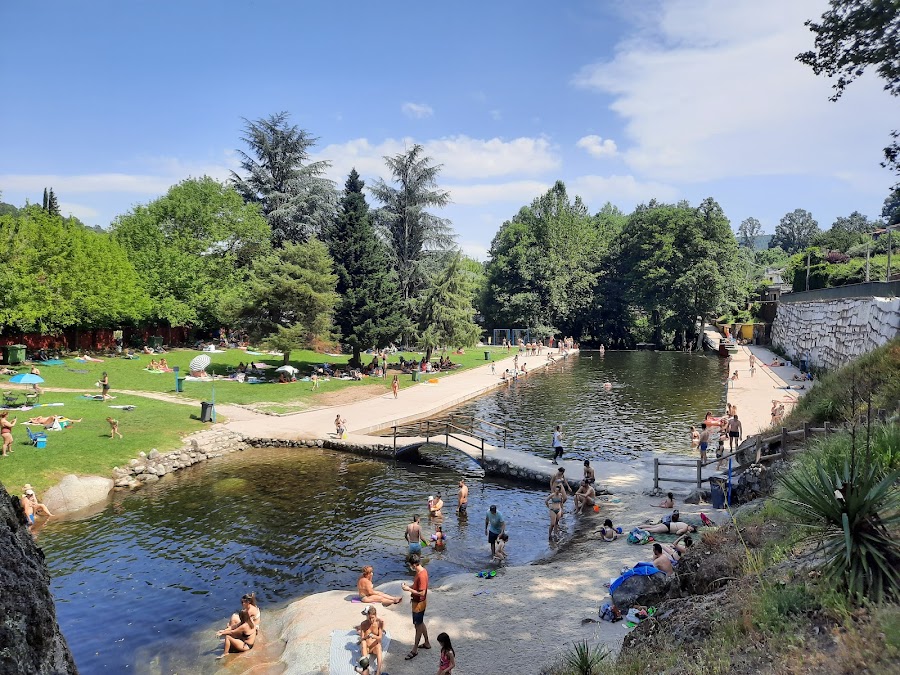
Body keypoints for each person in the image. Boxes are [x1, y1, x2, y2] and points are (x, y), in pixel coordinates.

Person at [401, 555, 430, 660]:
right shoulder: (422, 571)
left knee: (417, 626)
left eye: (410, 565)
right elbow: (417, 587)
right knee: (420, 623)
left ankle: (414, 650)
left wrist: (409, 590)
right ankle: (427, 643)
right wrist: (409, 586)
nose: (410, 567)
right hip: (419, 602)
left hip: (419, 603)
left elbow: (422, 592)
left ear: (414, 564)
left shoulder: (421, 575)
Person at [357, 605, 386, 675]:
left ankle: (378, 671)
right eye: (369, 618)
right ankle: (365, 668)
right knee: (363, 643)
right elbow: (362, 638)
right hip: (367, 647)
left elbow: (380, 637)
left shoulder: (379, 623)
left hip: (374, 647)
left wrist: (373, 636)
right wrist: (367, 637)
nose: (371, 620)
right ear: (367, 616)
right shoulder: (363, 624)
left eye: (372, 618)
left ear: (375, 616)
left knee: (379, 646)